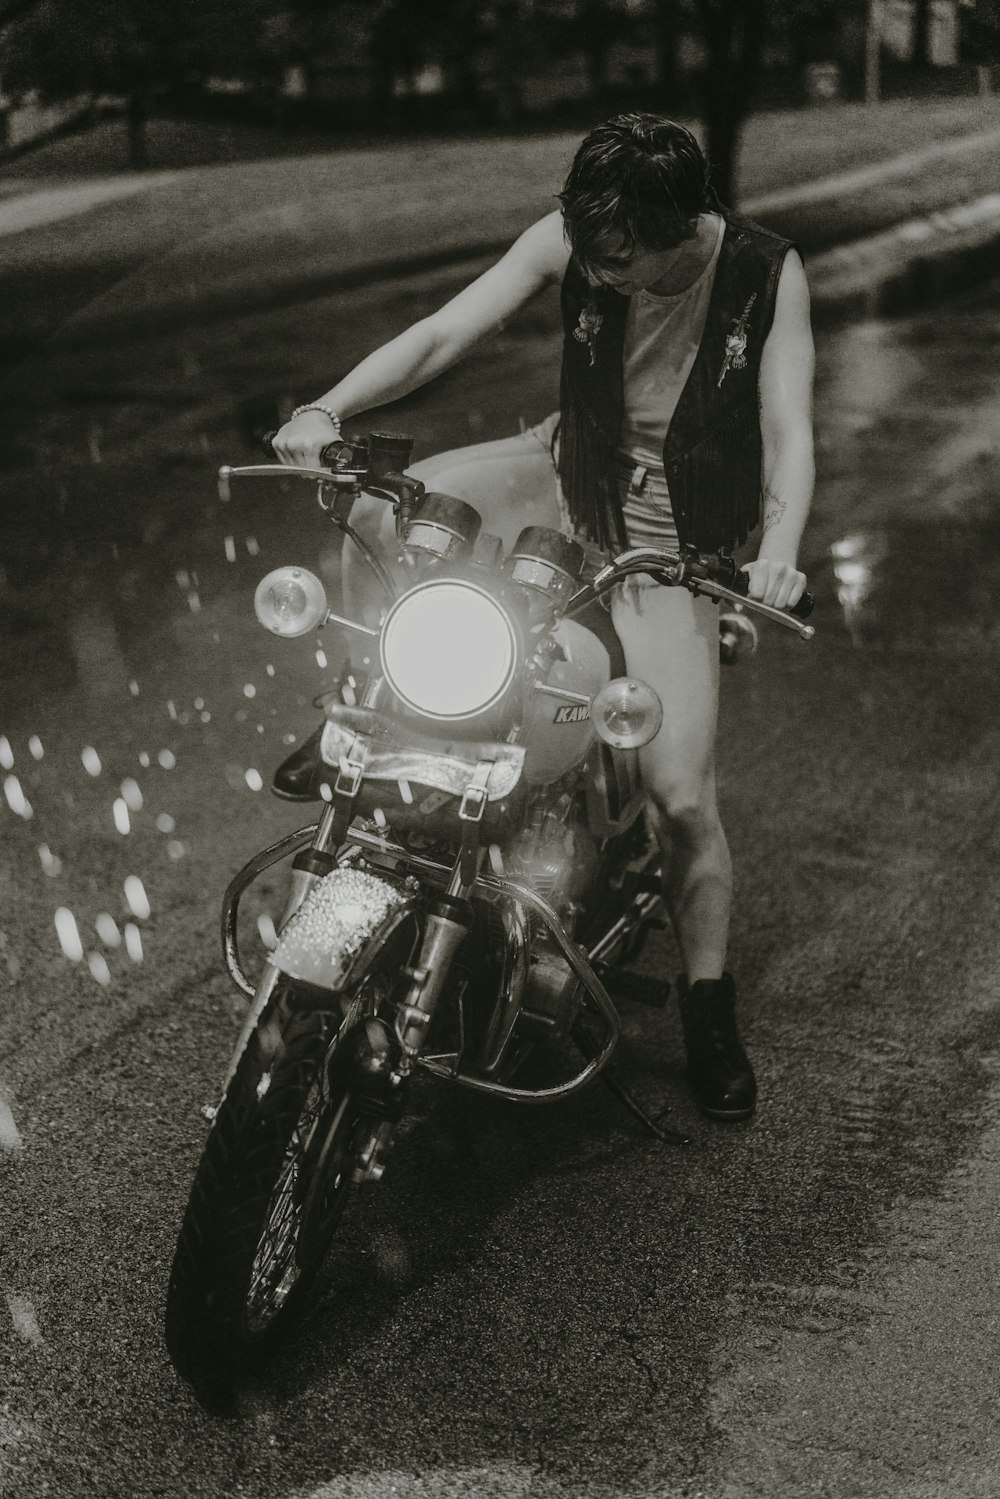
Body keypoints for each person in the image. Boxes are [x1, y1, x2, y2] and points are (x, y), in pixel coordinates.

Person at [271, 113, 815, 1123]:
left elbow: (787, 430)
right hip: (567, 474)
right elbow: (443, 329)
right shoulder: (578, 236)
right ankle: (369, 700)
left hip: (672, 534)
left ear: (678, 222)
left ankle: (706, 1003)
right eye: (589, 251)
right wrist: (324, 410)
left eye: (619, 258)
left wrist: (776, 554)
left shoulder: (764, 272)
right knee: (397, 503)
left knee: (681, 796)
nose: (598, 273)